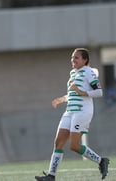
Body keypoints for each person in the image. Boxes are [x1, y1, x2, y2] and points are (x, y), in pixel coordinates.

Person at [35, 48, 109, 181]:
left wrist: (82, 92)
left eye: (76, 57)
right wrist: (62, 99)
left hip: (82, 111)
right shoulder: (73, 73)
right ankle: (51, 176)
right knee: (58, 143)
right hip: (69, 111)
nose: (73, 60)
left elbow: (99, 92)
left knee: (74, 145)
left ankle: (101, 161)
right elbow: (72, 93)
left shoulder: (88, 72)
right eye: (72, 57)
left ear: (84, 60)